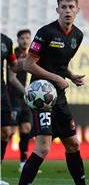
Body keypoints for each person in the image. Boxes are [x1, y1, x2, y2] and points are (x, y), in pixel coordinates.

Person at [19, 0, 86, 185]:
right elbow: (28, 65)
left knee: (73, 144)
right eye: (63, 7)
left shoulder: (77, 36)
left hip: (59, 94)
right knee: (44, 147)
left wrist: (70, 76)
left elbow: (60, 63)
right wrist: (57, 78)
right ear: (57, 10)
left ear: (77, 10)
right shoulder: (46, 32)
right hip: (41, 94)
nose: (67, 11)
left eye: (71, 7)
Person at [6, 29, 33, 172]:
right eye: (22, 38)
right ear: (18, 40)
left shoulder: (30, 56)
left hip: (24, 99)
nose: (25, 40)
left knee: (26, 128)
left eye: (27, 38)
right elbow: (11, 77)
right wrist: (26, 91)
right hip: (12, 98)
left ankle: (23, 162)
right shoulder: (14, 55)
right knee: (8, 131)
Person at [1, 33, 23, 185]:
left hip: (1, 92)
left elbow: (14, 65)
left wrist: (27, 61)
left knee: (6, 132)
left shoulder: (6, 41)